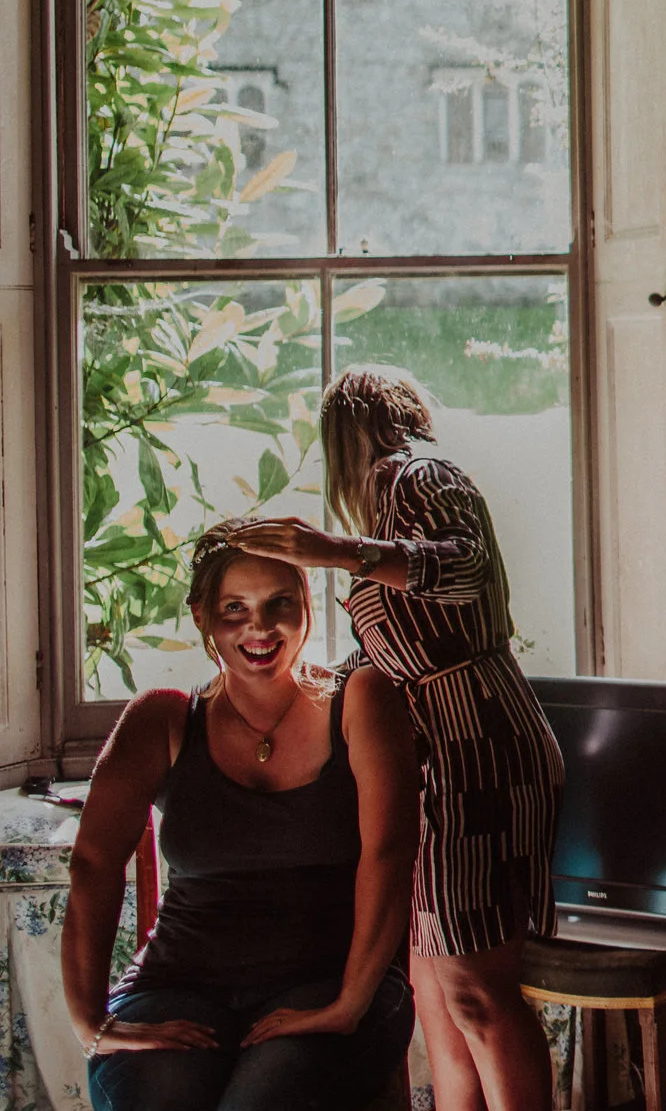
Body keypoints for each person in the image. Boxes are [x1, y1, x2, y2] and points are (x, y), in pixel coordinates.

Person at [229, 368, 563, 1111]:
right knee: (434, 991)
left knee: (476, 987)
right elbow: (393, 654)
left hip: (480, 749)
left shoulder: (415, 473)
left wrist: (339, 551)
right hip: (440, 756)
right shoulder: (389, 505)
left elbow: (465, 566)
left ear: (348, 434)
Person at [64, 529, 420, 1111]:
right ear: (203, 616)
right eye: (236, 609)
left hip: (327, 984)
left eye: (280, 602)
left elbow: (392, 850)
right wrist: (89, 1022)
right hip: (177, 989)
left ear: (307, 604)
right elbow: (94, 863)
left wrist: (349, 1005)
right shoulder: (163, 719)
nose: (261, 626)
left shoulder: (361, 698)